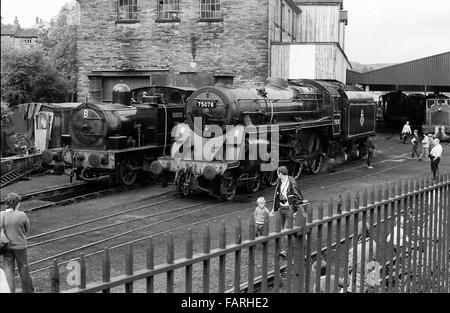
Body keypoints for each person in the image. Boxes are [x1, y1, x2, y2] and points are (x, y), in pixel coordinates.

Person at [1, 193, 34, 293]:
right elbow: (27, 230)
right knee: (24, 269)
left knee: (9, 272)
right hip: (20, 247)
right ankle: (28, 291)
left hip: (6, 247)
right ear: (16, 203)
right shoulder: (22, 215)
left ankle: (10, 291)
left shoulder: (1, 215)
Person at [272, 166, 307, 258]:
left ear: (280, 174)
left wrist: (295, 210)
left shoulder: (292, 182)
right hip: (281, 208)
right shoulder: (280, 182)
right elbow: (277, 194)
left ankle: (290, 251)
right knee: (281, 230)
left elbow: (298, 197)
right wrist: (274, 208)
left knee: (287, 231)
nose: (277, 174)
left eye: (277, 173)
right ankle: (284, 250)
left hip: (289, 209)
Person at [347, 221, 377, 293]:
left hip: (358, 282)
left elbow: (350, 267)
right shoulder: (373, 242)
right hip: (371, 277)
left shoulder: (355, 248)